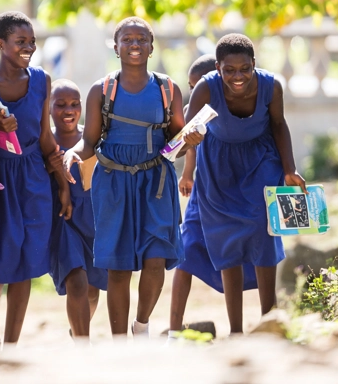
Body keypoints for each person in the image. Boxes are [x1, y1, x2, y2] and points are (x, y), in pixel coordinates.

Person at [65, 17, 200, 337]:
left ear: (152, 47)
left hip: (156, 182)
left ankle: (141, 326)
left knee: (156, 259)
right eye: (127, 40)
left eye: (142, 40)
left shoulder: (167, 89)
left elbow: (175, 145)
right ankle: (120, 341)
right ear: (116, 47)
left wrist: (189, 142)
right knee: (119, 265)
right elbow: (90, 141)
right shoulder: (103, 89)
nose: (135, 45)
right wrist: (74, 152)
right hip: (113, 183)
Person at [175, 34, 306, 334]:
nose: (238, 76)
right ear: (218, 67)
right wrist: (188, 140)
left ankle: (269, 320)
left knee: (264, 231)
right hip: (218, 167)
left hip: (261, 160)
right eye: (229, 70)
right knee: (226, 241)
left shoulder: (271, 86)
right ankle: (235, 330)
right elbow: (178, 145)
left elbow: (278, 124)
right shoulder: (206, 88)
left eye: (245, 69)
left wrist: (289, 168)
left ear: (254, 64)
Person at [0, 12, 70, 350]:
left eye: (32, 42)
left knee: (27, 260)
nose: (29, 48)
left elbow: (46, 137)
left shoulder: (42, 80)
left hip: (33, 176)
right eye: (21, 42)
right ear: (0, 43)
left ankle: (12, 346)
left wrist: (62, 185)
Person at [46, 79, 106, 340]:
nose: (68, 110)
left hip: (93, 220)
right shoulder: (44, 141)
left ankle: (78, 330)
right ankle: (83, 346)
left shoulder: (92, 139)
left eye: (74, 104)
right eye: (60, 105)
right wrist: (50, 167)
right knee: (76, 281)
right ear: (48, 107)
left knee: (93, 289)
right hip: (62, 219)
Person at [167, 53, 221, 333]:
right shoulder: (194, 109)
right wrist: (187, 174)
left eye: (198, 84)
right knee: (185, 251)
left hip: (227, 188)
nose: (195, 91)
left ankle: (266, 317)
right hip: (203, 189)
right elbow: (189, 143)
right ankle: (174, 328)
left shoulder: (230, 105)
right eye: (191, 86)